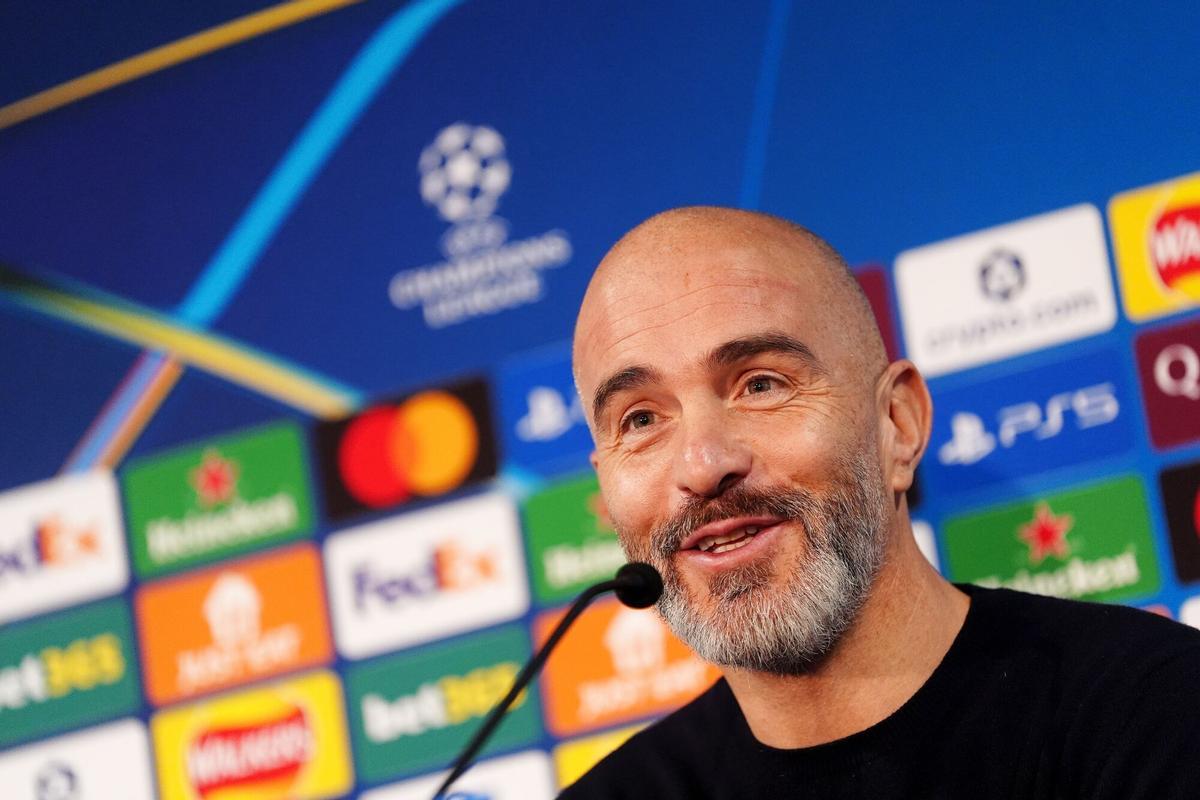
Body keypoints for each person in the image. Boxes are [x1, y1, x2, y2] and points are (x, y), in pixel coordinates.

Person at [560, 206, 1200, 799]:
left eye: (760, 384)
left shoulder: (1156, 712)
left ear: (898, 423)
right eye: (640, 420)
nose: (702, 466)